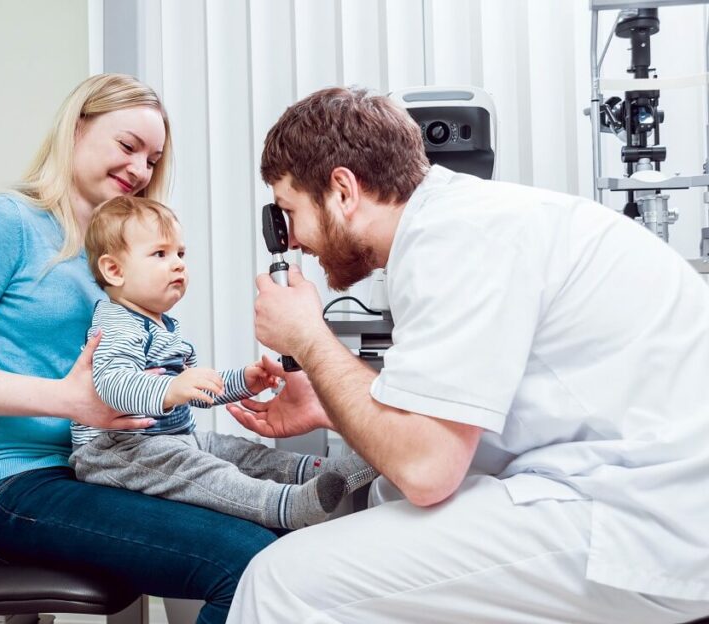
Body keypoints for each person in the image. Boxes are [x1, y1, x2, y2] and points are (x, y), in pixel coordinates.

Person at [224, 87, 709, 623]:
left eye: (289, 211)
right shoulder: (458, 222)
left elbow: (428, 468)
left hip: (642, 522)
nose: (289, 242)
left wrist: (310, 341)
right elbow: (439, 419)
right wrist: (327, 403)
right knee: (379, 509)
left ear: (342, 190)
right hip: (633, 493)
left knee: (280, 583)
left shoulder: (453, 238)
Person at [0, 73, 276, 624]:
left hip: (106, 468)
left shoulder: (122, 253)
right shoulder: (7, 223)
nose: (139, 170)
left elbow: (136, 371)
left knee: (269, 535)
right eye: (128, 146)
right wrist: (68, 400)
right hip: (12, 484)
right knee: (245, 564)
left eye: (152, 159)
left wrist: (222, 387)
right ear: (77, 129)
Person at [68, 195, 378, 529]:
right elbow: (112, 383)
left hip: (170, 438)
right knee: (205, 472)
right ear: (114, 270)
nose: (178, 264)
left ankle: (322, 473)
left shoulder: (164, 325)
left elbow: (198, 390)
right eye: (160, 254)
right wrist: (172, 387)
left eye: (180, 254)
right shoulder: (116, 321)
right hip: (115, 451)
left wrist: (242, 380)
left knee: (237, 451)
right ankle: (284, 506)